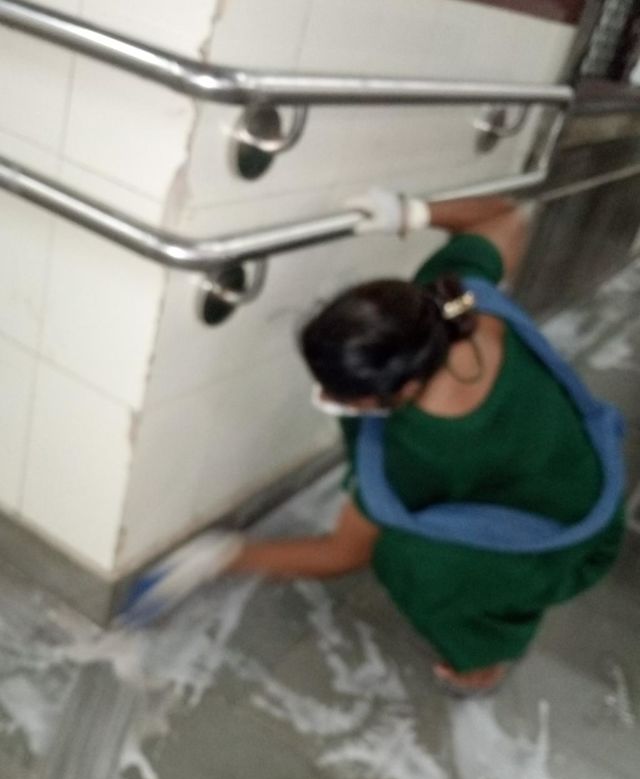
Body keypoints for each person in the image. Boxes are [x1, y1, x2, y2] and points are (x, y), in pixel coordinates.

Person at [229, 189, 625, 695]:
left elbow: (341, 554)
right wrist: (411, 212)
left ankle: (484, 658)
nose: (325, 397)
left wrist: (227, 559)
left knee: (407, 559)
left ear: (405, 389)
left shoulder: (414, 450)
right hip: (584, 478)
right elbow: (506, 216)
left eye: (342, 394)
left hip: (560, 542)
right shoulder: (456, 307)